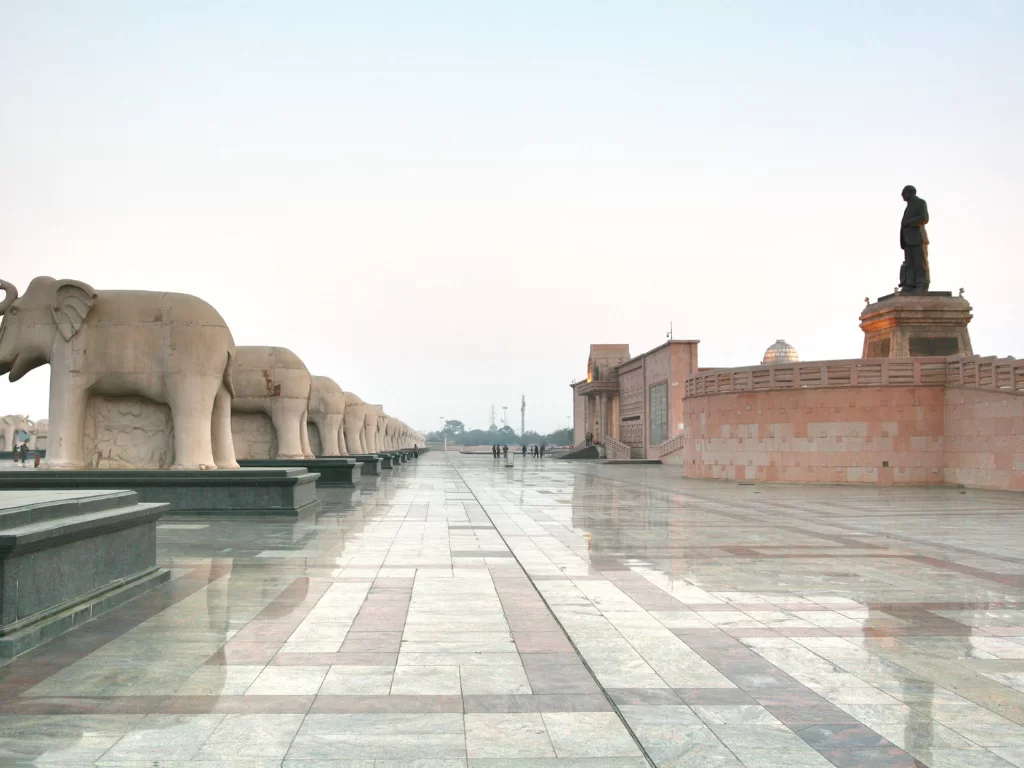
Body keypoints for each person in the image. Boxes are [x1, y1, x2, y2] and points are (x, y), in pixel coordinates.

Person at [899, 185, 930, 292]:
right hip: (907, 239)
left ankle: (921, 284)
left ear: (910, 193)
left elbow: (924, 218)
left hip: (917, 237)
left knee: (919, 262)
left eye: (904, 193)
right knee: (909, 262)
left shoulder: (920, 202)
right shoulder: (909, 206)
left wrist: (908, 222)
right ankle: (910, 283)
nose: (902, 196)